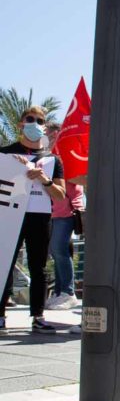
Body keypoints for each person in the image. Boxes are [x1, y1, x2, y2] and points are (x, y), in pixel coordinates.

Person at [0, 106, 66, 333]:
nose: (35, 123)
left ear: (45, 127)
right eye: (30, 119)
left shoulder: (52, 160)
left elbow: (60, 196)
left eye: (40, 120)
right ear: (20, 124)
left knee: (39, 267)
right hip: (9, 215)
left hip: (39, 217)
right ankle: (1, 316)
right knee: (4, 264)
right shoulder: (5, 153)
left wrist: (45, 180)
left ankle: (38, 316)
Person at [44, 121, 84, 310]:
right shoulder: (49, 158)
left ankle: (68, 292)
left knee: (59, 249)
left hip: (67, 210)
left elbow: (77, 179)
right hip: (54, 211)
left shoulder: (67, 157)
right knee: (57, 251)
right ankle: (60, 292)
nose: (49, 138)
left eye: (52, 135)